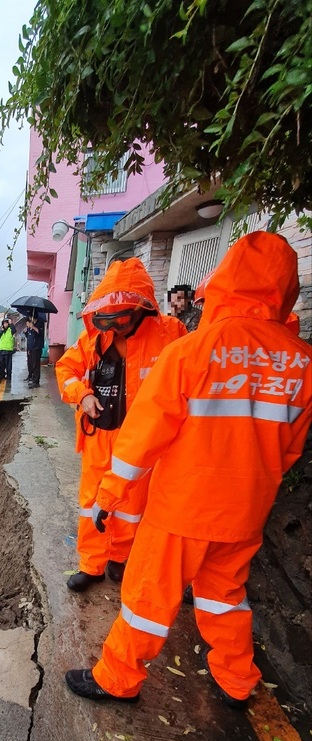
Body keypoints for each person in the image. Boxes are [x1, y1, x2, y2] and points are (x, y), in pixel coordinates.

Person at [64, 231, 312, 708]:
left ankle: (118, 679)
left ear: (223, 283)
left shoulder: (192, 350)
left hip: (184, 507)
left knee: (147, 597)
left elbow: (143, 439)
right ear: (285, 290)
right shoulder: (301, 364)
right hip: (246, 511)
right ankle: (238, 680)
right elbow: (290, 450)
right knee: (225, 595)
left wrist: (110, 494)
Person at [55, 258, 187, 592]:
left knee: (132, 503)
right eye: (109, 320)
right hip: (101, 434)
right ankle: (92, 564)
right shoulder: (94, 339)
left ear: (142, 308)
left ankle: (120, 557)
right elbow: (65, 370)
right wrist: (82, 395)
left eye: (121, 319)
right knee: (92, 503)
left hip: (144, 440)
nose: (114, 327)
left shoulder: (172, 334)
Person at [23, 310, 47, 387]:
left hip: (37, 347)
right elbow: (30, 337)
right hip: (31, 347)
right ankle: (32, 379)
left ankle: (36, 382)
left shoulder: (40, 323)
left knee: (36, 365)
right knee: (32, 364)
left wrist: (33, 327)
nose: (30, 319)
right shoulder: (31, 325)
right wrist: (27, 331)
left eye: (30, 317)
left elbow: (40, 333)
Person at [0, 316, 16, 381]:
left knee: (8, 365)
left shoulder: (11, 330)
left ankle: (9, 376)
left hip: (8, 350)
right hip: (2, 349)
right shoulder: (2, 331)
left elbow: (14, 330)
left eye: (6, 323)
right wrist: (1, 331)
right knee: (2, 364)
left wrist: (11, 323)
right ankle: (2, 375)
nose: (5, 324)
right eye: (4, 323)